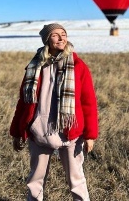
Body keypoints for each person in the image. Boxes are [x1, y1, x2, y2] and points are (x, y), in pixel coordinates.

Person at [10, 23, 98, 201]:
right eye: (55, 35)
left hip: (70, 132)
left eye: (63, 34)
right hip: (39, 131)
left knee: (76, 179)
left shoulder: (78, 65)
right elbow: (23, 102)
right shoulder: (35, 66)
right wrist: (17, 132)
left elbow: (88, 102)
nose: (61, 38)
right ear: (46, 40)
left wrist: (90, 135)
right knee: (35, 179)